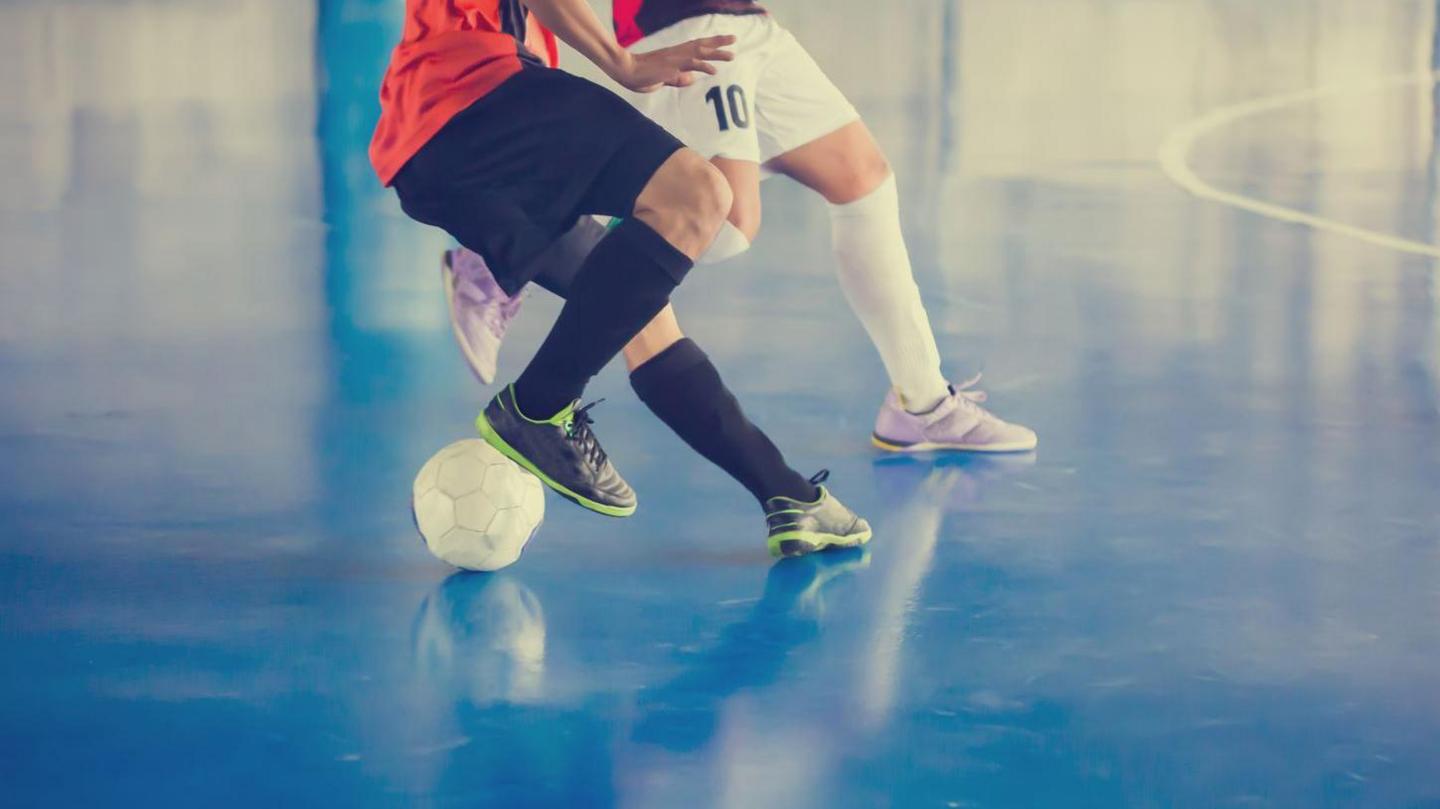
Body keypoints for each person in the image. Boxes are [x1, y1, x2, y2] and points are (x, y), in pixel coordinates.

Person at [375, 0, 870, 556]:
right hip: (474, 94)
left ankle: (787, 496)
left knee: (640, 315)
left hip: (434, 151)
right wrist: (621, 62)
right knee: (698, 196)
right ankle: (536, 406)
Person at [443, 0, 1038, 456]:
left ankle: (922, 403)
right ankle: (515, 248)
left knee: (863, 178)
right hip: (686, 20)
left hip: (749, 23)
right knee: (722, 221)